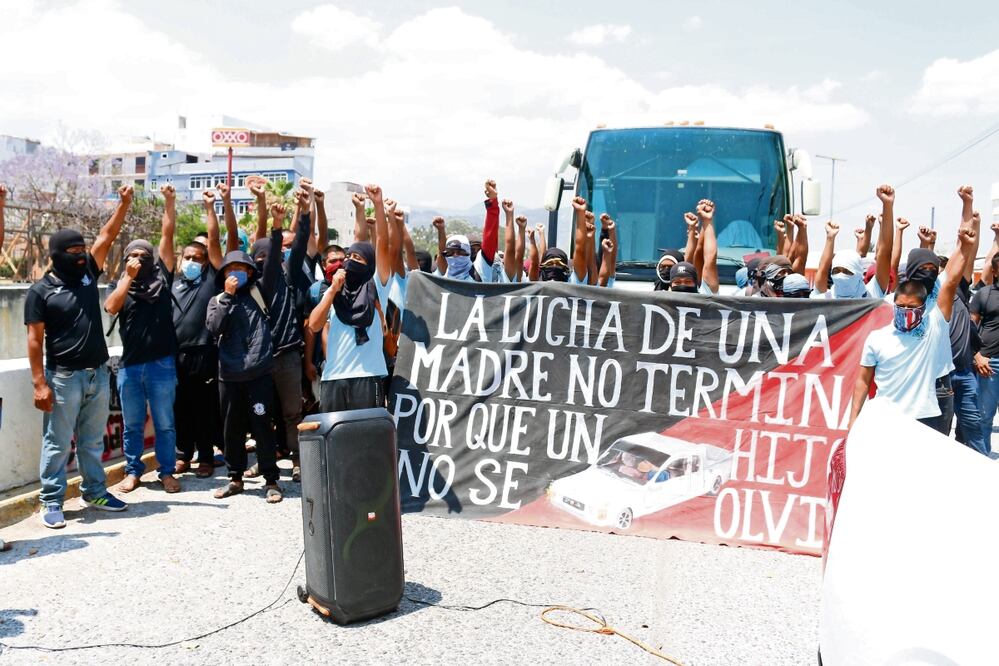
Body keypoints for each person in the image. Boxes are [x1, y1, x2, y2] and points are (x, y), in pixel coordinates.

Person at [24, 185, 133, 528]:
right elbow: (34, 339)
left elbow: (106, 236)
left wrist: (124, 204)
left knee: (91, 440)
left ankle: (95, 491)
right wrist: (39, 383)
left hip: (97, 374)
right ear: (57, 254)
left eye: (82, 249)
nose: (81, 254)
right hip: (63, 378)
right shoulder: (40, 291)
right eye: (73, 250)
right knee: (57, 443)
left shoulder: (87, 275)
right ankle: (52, 501)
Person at [849, 225, 974, 431]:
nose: (907, 311)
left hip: (932, 400)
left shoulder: (934, 316)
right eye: (902, 307)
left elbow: (951, 279)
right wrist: (854, 420)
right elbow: (863, 380)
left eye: (913, 308)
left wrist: (965, 247)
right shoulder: (879, 335)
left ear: (923, 308)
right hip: (891, 407)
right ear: (893, 304)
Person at [104, 191, 181, 494]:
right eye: (131, 256)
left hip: (162, 363)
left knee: (164, 423)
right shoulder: (120, 285)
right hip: (130, 366)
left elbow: (167, 233)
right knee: (133, 425)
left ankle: (166, 471)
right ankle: (133, 471)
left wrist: (170, 203)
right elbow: (111, 307)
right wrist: (126, 278)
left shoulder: (163, 278)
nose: (137, 261)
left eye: (142, 257)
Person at [206, 214, 284, 504]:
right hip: (229, 375)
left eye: (242, 269)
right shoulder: (217, 301)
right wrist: (225, 298)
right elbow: (214, 329)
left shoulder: (259, 292)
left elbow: (274, 263)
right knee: (232, 428)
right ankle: (235, 477)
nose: (236, 274)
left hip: (259, 373)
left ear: (251, 273)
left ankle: (271, 480)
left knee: (263, 426)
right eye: (231, 269)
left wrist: (275, 227)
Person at [308, 183, 398, 411]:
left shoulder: (375, 286)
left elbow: (382, 246)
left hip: (368, 377)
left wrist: (377, 204)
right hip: (334, 378)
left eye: (358, 258)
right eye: (349, 256)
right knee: (335, 442)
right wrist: (332, 291)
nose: (350, 261)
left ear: (369, 266)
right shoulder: (335, 294)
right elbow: (315, 325)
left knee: (366, 442)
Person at [244, 186, 312, 483]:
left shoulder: (289, 275)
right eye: (260, 256)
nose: (266, 260)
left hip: (287, 356)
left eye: (270, 255)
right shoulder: (250, 288)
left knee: (292, 415)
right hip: (258, 361)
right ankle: (264, 460)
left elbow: (298, 247)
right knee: (261, 416)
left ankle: (297, 462)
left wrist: (305, 212)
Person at [171, 186, 234, 478]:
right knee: (180, 407)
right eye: (188, 257)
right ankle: (183, 454)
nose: (193, 262)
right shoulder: (172, 280)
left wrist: (211, 207)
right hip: (176, 355)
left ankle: (207, 457)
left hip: (205, 353)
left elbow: (214, 244)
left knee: (206, 409)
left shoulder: (211, 279)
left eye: (199, 258)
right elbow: (165, 237)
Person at [814, 186, 895, 300]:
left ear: (858, 273)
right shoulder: (824, 300)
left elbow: (885, 252)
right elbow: (822, 269)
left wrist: (887, 205)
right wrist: (830, 238)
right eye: (836, 271)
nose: (840, 275)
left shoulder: (872, 295)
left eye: (847, 271)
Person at [972, 223, 999, 454]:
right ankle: (983, 461)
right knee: (985, 416)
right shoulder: (984, 294)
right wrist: (978, 356)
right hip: (989, 364)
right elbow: (970, 328)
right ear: (996, 271)